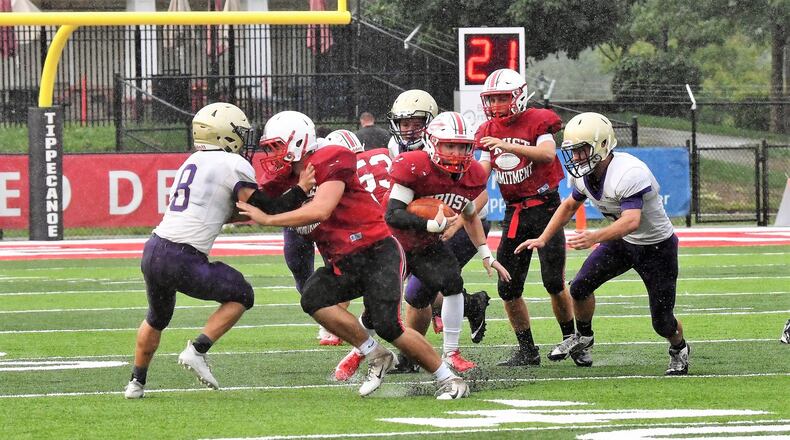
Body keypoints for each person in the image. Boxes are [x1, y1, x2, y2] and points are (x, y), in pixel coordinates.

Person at [237, 111, 470, 399]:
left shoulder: (332, 157)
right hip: (343, 260)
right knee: (312, 298)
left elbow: (321, 209)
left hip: (376, 251)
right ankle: (376, 355)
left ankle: (450, 380)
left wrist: (269, 220)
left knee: (388, 325)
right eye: (269, 147)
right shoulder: (285, 180)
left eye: (276, 146)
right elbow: (252, 202)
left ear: (299, 142)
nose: (271, 153)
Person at [123, 103, 312, 399]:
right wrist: (301, 189)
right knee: (242, 294)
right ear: (226, 135)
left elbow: (222, 209)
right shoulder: (230, 164)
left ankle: (136, 382)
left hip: (154, 250)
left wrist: (244, 215)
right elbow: (269, 208)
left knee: (156, 317)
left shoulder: (192, 161)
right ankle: (197, 350)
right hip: (182, 256)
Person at [516, 112, 690, 376]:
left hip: (656, 247)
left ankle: (679, 348)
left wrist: (594, 236)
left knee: (662, 321)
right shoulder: (584, 175)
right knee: (580, 287)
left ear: (602, 145)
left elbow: (632, 220)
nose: (575, 158)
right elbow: (569, 205)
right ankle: (584, 338)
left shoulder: (629, 173)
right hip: (622, 241)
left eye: (581, 151)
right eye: (572, 152)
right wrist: (543, 237)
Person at [384, 111, 511, 373]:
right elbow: (393, 214)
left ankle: (451, 352)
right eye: (449, 145)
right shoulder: (414, 165)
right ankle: (359, 350)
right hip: (395, 241)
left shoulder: (471, 173)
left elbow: (470, 213)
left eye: (463, 147)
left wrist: (486, 253)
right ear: (432, 143)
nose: (456, 153)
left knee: (452, 282)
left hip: (428, 245)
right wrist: (429, 224)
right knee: (382, 297)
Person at [475, 68, 581, 367]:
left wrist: (507, 145)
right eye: (492, 99)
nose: (496, 105)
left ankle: (572, 339)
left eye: (502, 98)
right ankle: (527, 349)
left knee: (553, 281)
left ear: (519, 97)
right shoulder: (485, 131)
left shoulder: (538, 120)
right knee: (507, 287)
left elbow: (548, 154)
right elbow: (481, 174)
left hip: (546, 208)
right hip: (515, 212)